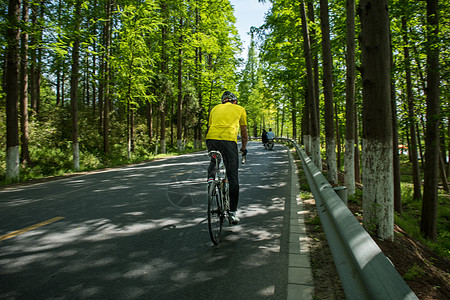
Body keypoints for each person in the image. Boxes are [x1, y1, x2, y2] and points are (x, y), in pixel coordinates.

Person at [206, 91, 248, 225]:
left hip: (211, 139)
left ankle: (211, 180)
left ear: (223, 101)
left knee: (215, 159)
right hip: (229, 141)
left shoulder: (214, 109)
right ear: (234, 101)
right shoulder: (240, 109)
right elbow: (244, 132)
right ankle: (232, 213)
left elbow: (210, 126)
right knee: (233, 177)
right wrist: (243, 148)